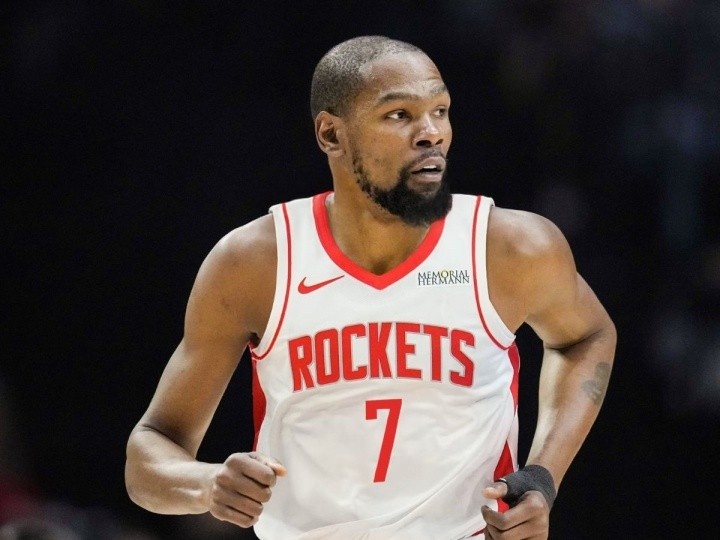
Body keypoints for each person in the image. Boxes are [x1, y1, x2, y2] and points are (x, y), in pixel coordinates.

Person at [125, 35, 616, 539]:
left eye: (440, 111)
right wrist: (206, 484)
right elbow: (149, 454)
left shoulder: (510, 248)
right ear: (331, 134)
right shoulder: (255, 262)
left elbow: (588, 336)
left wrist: (542, 477)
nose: (431, 134)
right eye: (399, 115)